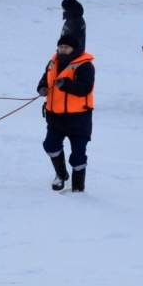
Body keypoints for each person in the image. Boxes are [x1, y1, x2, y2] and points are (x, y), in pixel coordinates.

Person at [37, 34, 95, 193]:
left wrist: (67, 85)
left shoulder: (85, 66)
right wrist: (41, 88)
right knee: (50, 145)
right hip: (55, 117)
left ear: (74, 50)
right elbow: (44, 80)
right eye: (61, 47)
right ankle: (61, 174)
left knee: (78, 155)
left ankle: (78, 187)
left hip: (79, 118)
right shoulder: (52, 62)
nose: (63, 50)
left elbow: (85, 88)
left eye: (66, 47)